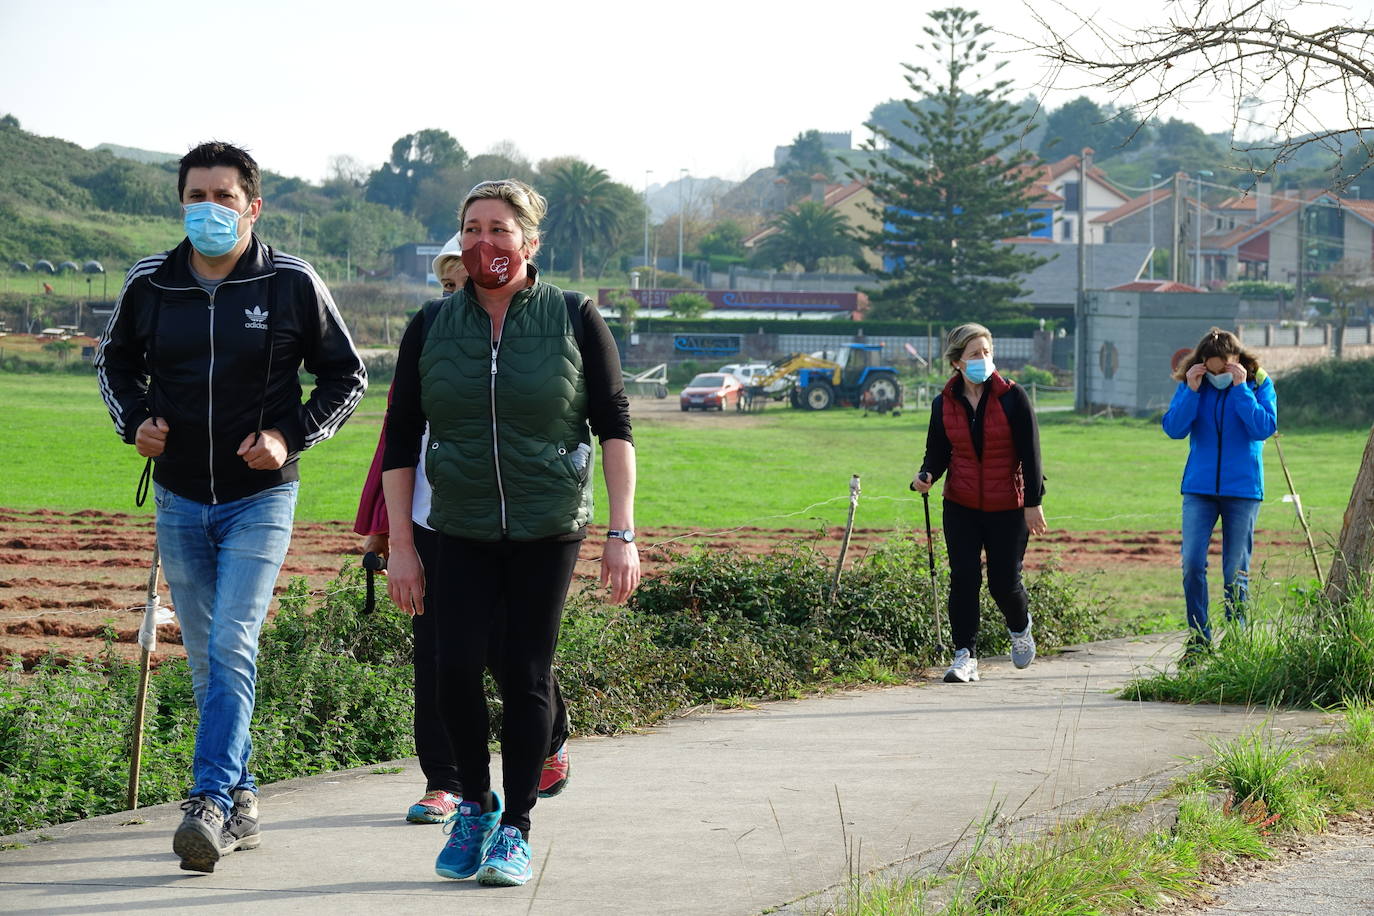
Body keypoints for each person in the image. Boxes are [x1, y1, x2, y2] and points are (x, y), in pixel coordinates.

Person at [95, 141, 367, 873]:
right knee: (208, 660)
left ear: (253, 205)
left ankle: (207, 802)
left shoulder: (290, 282)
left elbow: (348, 375)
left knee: (234, 641)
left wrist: (290, 435)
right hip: (180, 496)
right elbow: (113, 362)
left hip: (261, 498)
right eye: (196, 196)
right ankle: (243, 799)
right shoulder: (151, 283)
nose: (208, 209)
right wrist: (137, 421)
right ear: (181, 203)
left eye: (223, 196)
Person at [383, 179, 638, 888]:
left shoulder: (574, 317)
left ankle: (516, 829)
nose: (483, 243)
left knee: (526, 676)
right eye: (471, 229)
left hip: (546, 529)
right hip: (456, 526)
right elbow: (400, 440)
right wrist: (402, 545)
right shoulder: (431, 326)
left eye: (499, 229)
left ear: (529, 241)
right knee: (453, 671)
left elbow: (615, 426)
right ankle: (475, 804)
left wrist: (622, 532)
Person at [353, 235, 571, 826]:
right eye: (446, 285)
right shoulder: (427, 337)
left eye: (462, 283)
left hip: (509, 523)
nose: (456, 295)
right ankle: (443, 782)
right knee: (440, 657)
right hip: (431, 521)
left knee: (511, 656)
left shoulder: (540, 337)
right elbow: (392, 445)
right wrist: (387, 534)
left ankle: (551, 733)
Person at [912, 323, 1046, 684]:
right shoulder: (944, 403)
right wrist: (926, 475)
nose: (983, 360)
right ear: (957, 362)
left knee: (1004, 583)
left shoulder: (1013, 397)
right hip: (961, 504)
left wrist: (1033, 503)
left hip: (1008, 506)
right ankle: (965, 656)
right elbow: (937, 452)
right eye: (974, 354)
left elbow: (1032, 455)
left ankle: (1020, 628)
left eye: (987, 352)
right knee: (964, 579)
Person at [1162, 327, 1277, 661]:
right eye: (1211, 370)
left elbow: (1263, 428)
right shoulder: (1193, 385)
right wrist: (1192, 392)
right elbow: (1174, 429)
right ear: (1202, 365)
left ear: (1236, 361)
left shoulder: (1258, 384)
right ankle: (1199, 641)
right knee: (1192, 563)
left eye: (1223, 369)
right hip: (1199, 489)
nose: (1218, 375)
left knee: (1234, 570)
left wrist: (1241, 389)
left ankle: (1237, 642)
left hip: (1243, 490)